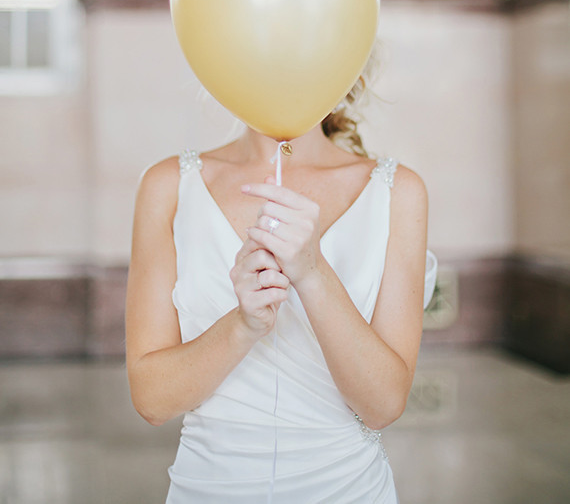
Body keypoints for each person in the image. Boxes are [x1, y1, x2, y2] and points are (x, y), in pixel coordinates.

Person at [125, 77, 437, 503]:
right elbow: (152, 399)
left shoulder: (397, 191)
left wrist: (313, 273)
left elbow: (383, 405)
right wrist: (242, 326)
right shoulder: (168, 186)